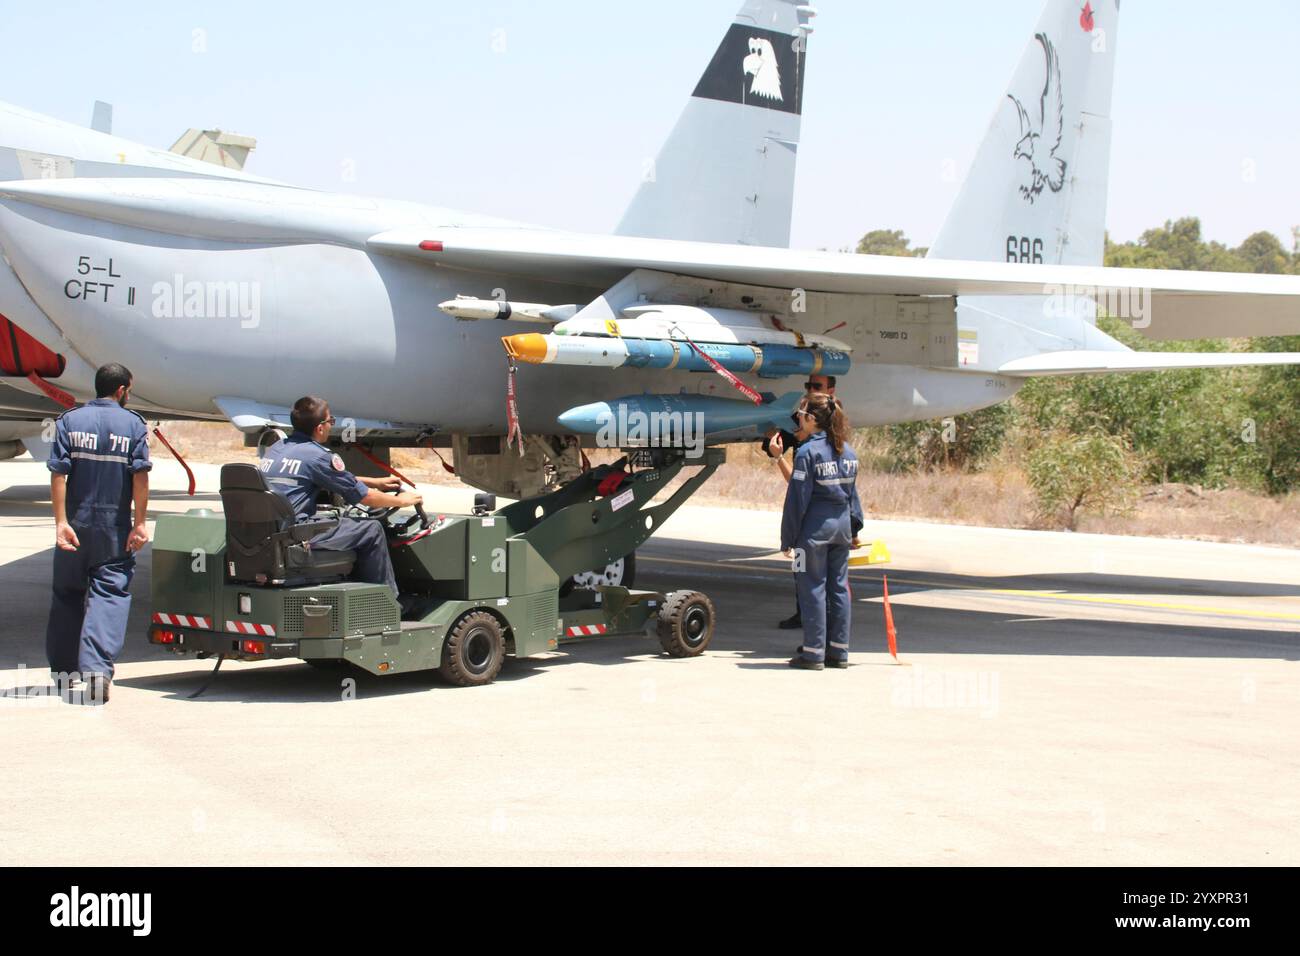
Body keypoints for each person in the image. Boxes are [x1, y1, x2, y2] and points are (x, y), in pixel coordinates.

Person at [46, 363, 152, 704]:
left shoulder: (69, 421)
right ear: (122, 390)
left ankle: (64, 673)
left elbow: (59, 474)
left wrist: (61, 522)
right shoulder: (133, 425)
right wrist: (140, 522)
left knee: (66, 595)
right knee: (109, 596)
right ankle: (96, 671)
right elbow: (140, 477)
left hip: (75, 524)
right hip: (113, 529)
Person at [258, 396, 422, 597]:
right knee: (371, 529)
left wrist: (373, 481)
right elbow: (366, 499)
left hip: (272, 532)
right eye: (330, 421)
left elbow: (317, 475)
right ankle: (386, 602)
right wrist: (402, 501)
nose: (330, 426)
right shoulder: (318, 455)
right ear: (320, 428)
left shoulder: (277, 449)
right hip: (297, 535)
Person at [779, 392, 863, 671]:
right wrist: (854, 529)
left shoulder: (807, 453)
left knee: (810, 587)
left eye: (801, 415)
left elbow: (797, 500)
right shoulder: (848, 451)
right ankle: (839, 652)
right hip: (840, 531)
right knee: (838, 589)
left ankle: (813, 653)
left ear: (812, 420)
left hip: (813, 534)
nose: (798, 419)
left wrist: (787, 538)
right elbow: (853, 497)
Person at [763, 373, 838, 629]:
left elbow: (797, 485)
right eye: (808, 385)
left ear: (831, 390)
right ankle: (823, 630)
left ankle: (815, 638)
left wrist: (777, 458)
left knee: (810, 577)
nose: (808, 390)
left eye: (816, 387)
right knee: (821, 579)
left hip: (811, 521)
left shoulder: (812, 447)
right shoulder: (835, 439)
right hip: (832, 523)